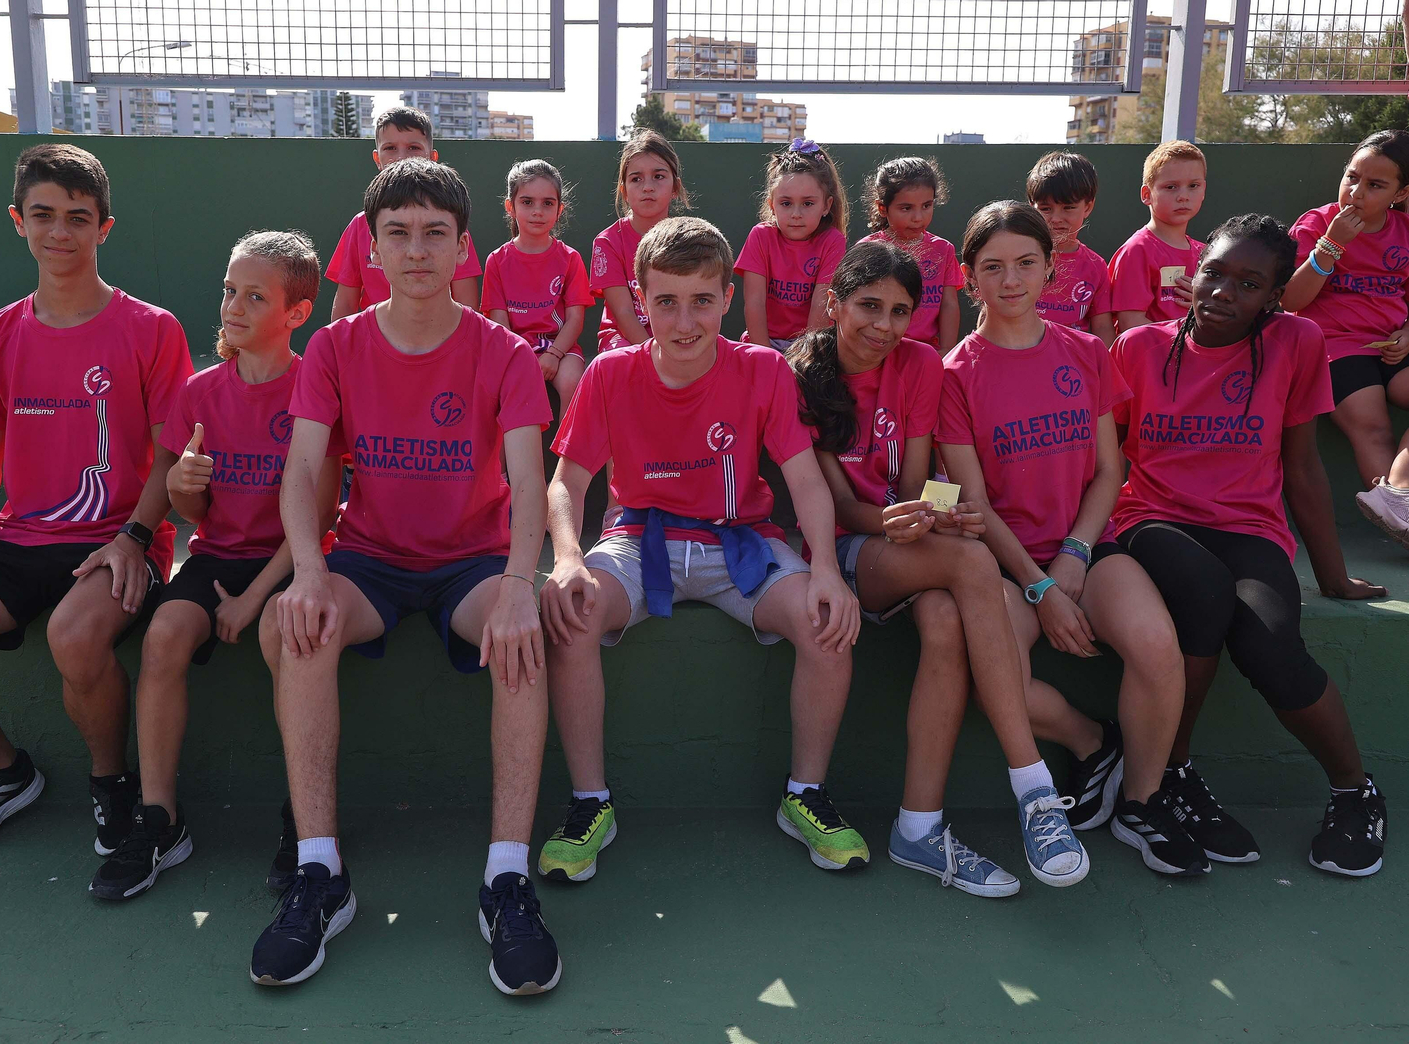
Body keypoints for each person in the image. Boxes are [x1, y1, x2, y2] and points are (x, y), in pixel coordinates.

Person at [251, 159, 561, 995]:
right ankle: (321, 870)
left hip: (472, 561)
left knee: (524, 641)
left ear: (464, 248)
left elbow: (528, 481)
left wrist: (520, 585)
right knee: (295, 625)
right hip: (371, 557)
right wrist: (308, 571)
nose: (416, 250)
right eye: (398, 233)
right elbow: (301, 468)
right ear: (372, 247)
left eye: (434, 234)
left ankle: (506, 877)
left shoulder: (504, 352)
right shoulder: (335, 346)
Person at [0, 143, 193, 858]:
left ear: (104, 228)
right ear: (18, 220)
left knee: (75, 637)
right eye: (43, 215)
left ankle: (111, 782)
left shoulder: (152, 328)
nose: (60, 232)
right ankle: (2, 773)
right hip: (17, 539)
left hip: (118, 539)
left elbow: (170, 457)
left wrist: (135, 538)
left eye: (78, 218)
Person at [538, 216, 867, 887]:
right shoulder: (608, 372)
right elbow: (566, 483)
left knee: (825, 623)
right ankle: (590, 804)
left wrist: (827, 571)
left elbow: (806, 481)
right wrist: (568, 556)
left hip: (739, 543)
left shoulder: (764, 369)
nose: (684, 322)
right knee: (571, 614)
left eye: (701, 301)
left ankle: (805, 795)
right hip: (639, 540)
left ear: (726, 298)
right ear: (640, 300)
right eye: (666, 302)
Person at [790, 240, 1077, 896]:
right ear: (834, 304)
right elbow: (839, 506)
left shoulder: (920, 364)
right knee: (972, 561)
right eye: (869, 306)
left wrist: (942, 515)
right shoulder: (801, 374)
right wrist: (906, 523)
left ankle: (917, 827)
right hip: (843, 551)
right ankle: (1033, 785)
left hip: (909, 548)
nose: (884, 326)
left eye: (900, 311)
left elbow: (917, 485)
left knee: (947, 615)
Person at [1111, 213, 1389, 877]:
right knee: (1203, 593)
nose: (1222, 292)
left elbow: (1303, 465)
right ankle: (1171, 774)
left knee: (1270, 643)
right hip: (1151, 519)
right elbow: (1101, 462)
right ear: (1195, 270)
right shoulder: (1138, 347)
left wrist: (1332, 574)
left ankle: (1355, 792)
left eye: (1248, 283)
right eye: (1214, 273)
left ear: (1273, 295)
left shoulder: (1296, 341)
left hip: (1249, 528)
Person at [936, 201, 1206, 878]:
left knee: (1157, 646)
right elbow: (973, 502)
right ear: (969, 277)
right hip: (1005, 564)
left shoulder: (1085, 352)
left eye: (1026, 263)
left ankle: (1141, 802)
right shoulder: (954, 373)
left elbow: (1111, 471)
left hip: (1087, 545)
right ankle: (1093, 742)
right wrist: (1041, 587)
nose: (1011, 280)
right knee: (993, 683)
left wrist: (1076, 555)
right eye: (993, 267)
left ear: (1050, 270)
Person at [89, 231, 344, 901]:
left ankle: (302, 818)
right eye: (230, 291)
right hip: (218, 557)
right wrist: (184, 487)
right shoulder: (200, 392)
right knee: (164, 636)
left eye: (256, 296)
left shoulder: (314, 389)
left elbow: (319, 517)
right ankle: (159, 820)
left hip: (292, 561)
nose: (234, 306)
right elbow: (190, 511)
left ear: (296, 312)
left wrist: (252, 600)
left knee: (291, 638)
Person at [1282, 130, 1409, 544]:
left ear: (1401, 193)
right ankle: (1403, 516)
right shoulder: (1317, 224)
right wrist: (1331, 245)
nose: (1355, 192)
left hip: (1391, 347)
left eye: (1375, 185)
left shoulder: (1405, 231)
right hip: (1334, 346)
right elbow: (1290, 300)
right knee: (1372, 428)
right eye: (1352, 177)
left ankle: (1398, 495)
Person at [324, 106, 481, 320]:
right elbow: (345, 303)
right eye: (390, 148)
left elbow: (467, 305)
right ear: (377, 158)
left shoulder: (448, 223)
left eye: (413, 147)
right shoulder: (359, 225)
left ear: (432, 157)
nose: (401, 157)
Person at [482, 159, 594, 415]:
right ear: (510, 207)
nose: (537, 211)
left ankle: (567, 444)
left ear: (559, 209)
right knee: (500, 386)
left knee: (572, 382)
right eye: (527, 202)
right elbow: (499, 325)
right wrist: (522, 358)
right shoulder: (497, 261)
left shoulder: (570, 258)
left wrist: (554, 354)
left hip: (562, 350)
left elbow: (575, 319)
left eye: (548, 203)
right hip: (514, 351)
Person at [735, 138, 848, 349]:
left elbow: (821, 310)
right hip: (763, 342)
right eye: (786, 203)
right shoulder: (760, 236)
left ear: (826, 206)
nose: (796, 214)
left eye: (808, 203)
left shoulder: (833, 241)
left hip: (810, 347)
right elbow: (754, 304)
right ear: (772, 205)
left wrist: (806, 359)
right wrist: (765, 357)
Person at [590, 130, 690, 352]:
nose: (647, 187)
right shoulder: (608, 242)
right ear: (624, 191)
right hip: (623, 339)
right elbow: (624, 314)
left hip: (677, 335)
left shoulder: (688, 239)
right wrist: (656, 355)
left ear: (675, 187)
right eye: (636, 179)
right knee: (618, 362)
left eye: (658, 176)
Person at [858, 157, 961, 351]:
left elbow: (949, 305)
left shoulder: (944, 249)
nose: (918, 217)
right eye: (906, 208)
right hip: (878, 350)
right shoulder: (867, 249)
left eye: (926, 206)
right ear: (882, 208)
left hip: (926, 352)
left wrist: (947, 352)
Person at [1110, 140, 1207, 335]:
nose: (1183, 196)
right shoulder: (1137, 250)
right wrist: (1186, 341)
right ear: (1147, 194)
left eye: (1193, 185)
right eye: (1171, 187)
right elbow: (1131, 324)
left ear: (1203, 189)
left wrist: (1205, 305)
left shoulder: (1207, 253)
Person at [1027, 150, 1116, 346]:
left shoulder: (1096, 265)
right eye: (1046, 209)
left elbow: (1102, 327)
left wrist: (1107, 362)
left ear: (1088, 207)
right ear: (1032, 207)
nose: (1056, 218)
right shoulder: (1017, 257)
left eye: (1068, 207)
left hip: (1074, 360)